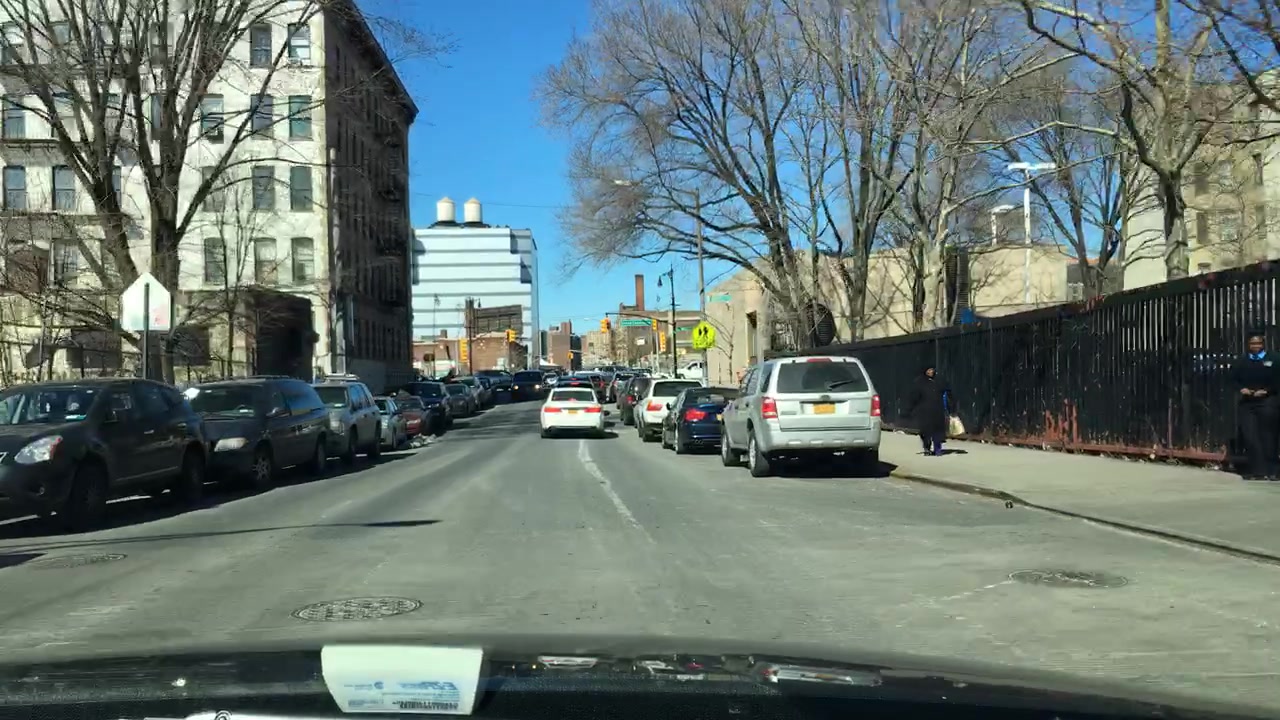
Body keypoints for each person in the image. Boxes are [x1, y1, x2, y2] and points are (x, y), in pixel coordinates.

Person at [1230, 331, 1280, 480]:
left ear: (1263, 344)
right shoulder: (1242, 360)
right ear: (1248, 345)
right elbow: (1232, 379)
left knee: (1268, 436)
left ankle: (1272, 471)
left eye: (1258, 343)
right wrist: (1241, 389)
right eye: (1253, 343)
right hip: (1247, 403)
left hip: (1267, 402)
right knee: (1250, 436)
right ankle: (1258, 470)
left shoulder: (1274, 359)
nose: (1255, 346)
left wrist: (1267, 391)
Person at [906, 364, 951, 456]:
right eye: (928, 370)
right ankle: (927, 448)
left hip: (937, 410)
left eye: (932, 370)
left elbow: (947, 392)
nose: (931, 372)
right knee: (926, 431)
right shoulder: (920, 382)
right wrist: (910, 409)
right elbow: (914, 397)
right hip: (924, 411)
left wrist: (950, 406)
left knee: (938, 431)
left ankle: (938, 449)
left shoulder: (939, 381)